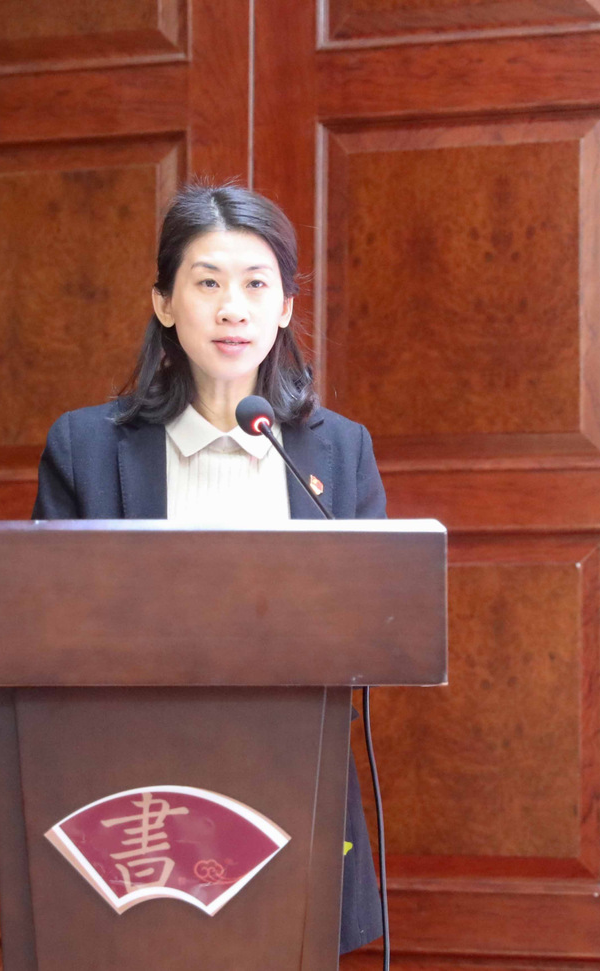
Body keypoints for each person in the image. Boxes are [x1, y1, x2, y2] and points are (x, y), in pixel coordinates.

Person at [32, 183, 385, 954]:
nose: (233, 309)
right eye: (207, 283)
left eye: (256, 284)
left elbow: (371, 626)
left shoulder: (337, 451)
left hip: (290, 780)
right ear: (163, 302)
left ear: (284, 307)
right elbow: (49, 635)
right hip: (129, 797)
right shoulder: (86, 448)